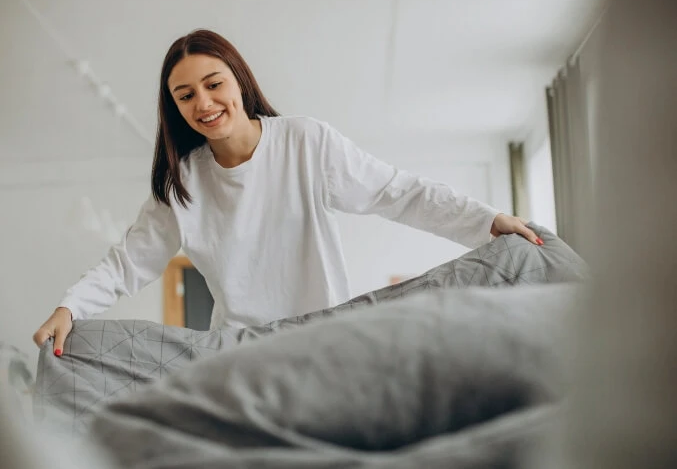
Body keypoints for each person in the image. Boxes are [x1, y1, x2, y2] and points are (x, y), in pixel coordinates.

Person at [33, 29, 543, 356]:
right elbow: (128, 264)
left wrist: (486, 221)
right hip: (238, 353)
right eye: (185, 96)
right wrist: (69, 307)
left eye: (214, 84)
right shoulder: (184, 182)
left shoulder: (304, 142)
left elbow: (398, 192)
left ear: (239, 81)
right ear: (174, 109)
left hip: (327, 341)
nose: (204, 103)